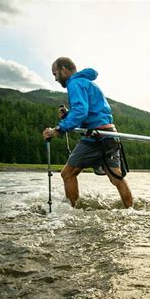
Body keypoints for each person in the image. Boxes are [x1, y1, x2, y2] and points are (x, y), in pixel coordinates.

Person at [42, 57, 133, 208]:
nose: (56, 78)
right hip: (110, 135)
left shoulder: (75, 83)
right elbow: (88, 112)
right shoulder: (87, 82)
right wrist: (68, 115)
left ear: (63, 69)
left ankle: (72, 214)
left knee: (67, 174)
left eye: (55, 74)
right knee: (116, 178)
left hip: (95, 137)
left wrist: (58, 129)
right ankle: (131, 212)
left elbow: (81, 112)